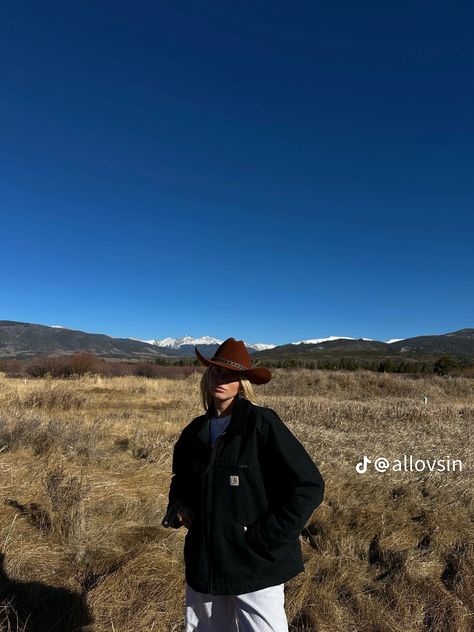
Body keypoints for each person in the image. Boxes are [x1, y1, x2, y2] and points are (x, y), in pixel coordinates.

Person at [161, 338, 325, 632]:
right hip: (206, 564)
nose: (220, 378)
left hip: (255, 565)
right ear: (206, 376)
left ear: (243, 383)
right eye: (215, 371)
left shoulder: (261, 424)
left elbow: (309, 485)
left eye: (230, 374)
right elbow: (180, 481)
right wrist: (178, 509)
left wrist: (266, 537)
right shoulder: (193, 432)